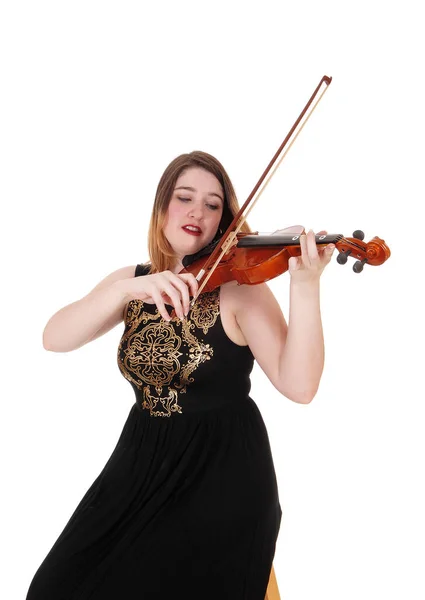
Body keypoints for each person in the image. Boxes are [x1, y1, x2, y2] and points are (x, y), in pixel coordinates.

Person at [25, 150, 334, 600]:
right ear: (161, 209)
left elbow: (300, 386)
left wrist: (305, 286)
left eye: (213, 205)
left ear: (224, 220)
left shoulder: (240, 292)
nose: (197, 211)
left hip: (222, 471)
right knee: (58, 586)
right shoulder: (131, 282)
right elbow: (54, 337)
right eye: (184, 197)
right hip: (140, 461)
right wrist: (129, 288)